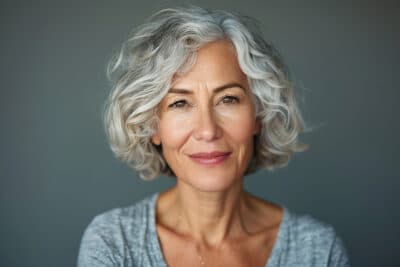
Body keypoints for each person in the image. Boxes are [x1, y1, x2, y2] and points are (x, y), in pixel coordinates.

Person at [78, 6, 350, 267]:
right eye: (180, 104)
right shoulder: (113, 244)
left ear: (259, 115)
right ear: (153, 127)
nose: (208, 130)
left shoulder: (317, 250)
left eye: (228, 99)